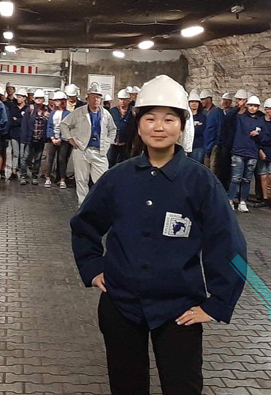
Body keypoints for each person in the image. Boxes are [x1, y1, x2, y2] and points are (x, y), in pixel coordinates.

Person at [70, 74, 247, 395]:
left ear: (182, 126)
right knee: (126, 385)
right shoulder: (118, 178)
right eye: (150, 118)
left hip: (179, 309)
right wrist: (92, 267)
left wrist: (218, 302)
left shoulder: (200, 182)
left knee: (183, 386)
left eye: (169, 119)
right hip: (121, 304)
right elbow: (85, 225)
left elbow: (226, 243)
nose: (159, 127)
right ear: (138, 125)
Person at [61, 82, 117, 205]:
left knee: (102, 181)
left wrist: (108, 142)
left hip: (99, 151)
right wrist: (70, 139)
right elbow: (64, 124)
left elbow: (113, 129)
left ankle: (98, 206)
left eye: (98, 97)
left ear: (101, 99)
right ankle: (83, 206)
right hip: (82, 150)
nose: (96, 100)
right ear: (87, 99)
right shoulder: (79, 112)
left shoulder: (106, 114)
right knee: (81, 180)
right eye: (93, 97)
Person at [228, 95, 264, 213]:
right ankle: (230, 199)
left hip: (252, 152)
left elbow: (265, 136)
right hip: (239, 151)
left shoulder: (260, 120)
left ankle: (243, 201)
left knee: (247, 179)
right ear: (247, 106)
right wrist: (237, 107)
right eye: (251, 105)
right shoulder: (240, 118)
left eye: (255, 106)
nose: (253, 108)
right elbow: (228, 118)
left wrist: (259, 135)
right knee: (236, 178)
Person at [216, 90, 246, 190]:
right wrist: (237, 108)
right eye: (237, 99)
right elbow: (227, 118)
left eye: (241, 100)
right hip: (228, 144)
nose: (239, 102)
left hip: (240, 145)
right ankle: (224, 188)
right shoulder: (232, 113)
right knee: (225, 168)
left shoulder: (247, 115)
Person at [20, 89, 50, 185]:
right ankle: (23, 176)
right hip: (30, 139)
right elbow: (24, 125)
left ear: (43, 99)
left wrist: (46, 137)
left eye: (40, 98)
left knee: (37, 159)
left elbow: (48, 124)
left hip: (40, 139)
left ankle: (34, 176)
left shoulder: (47, 110)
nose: (38, 99)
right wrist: (24, 138)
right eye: (37, 98)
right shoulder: (30, 109)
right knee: (25, 158)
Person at [43, 91, 72, 188]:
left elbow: (68, 127)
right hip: (53, 139)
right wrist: (52, 137)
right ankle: (48, 178)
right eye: (55, 100)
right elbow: (49, 126)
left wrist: (61, 138)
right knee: (50, 159)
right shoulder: (52, 113)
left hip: (63, 140)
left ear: (63, 101)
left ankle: (62, 179)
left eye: (58, 100)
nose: (56, 102)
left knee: (62, 159)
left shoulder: (68, 114)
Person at [108, 88, 134, 167]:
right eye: (121, 99)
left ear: (129, 100)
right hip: (113, 143)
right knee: (110, 162)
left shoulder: (132, 112)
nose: (122, 101)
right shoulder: (113, 111)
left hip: (126, 144)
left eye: (125, 99)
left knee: (124, 164)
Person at [203, 91, 226, 172]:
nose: (201, 101)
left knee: (214, 168)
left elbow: (220, 128)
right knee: (206, 168)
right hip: (205, 144)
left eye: (203, 99)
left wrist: (217, 143)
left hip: (214, 145)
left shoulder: (217, 111)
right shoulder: (203, 112)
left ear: (209, 99)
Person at [7, 92, 27, 180]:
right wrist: (19, 121)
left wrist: (17, 120)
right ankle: (14, 171)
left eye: (20, 97)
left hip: (24, 134)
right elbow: (11, 120)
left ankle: (23, 172)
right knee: (15, 153)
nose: (18, 99)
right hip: (14, 134)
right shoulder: (13, 108)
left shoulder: (27, 109)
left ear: (24, 98)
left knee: (23, 155)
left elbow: (26, 121)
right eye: (17, 97)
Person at [187, 90, 207, 163]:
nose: (194, 104)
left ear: (199, 104)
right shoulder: (185, 117)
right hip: (186, 146)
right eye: (192, 102)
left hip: (198, 146)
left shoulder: (203, 117)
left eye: (196, 102)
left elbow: (200, 131)